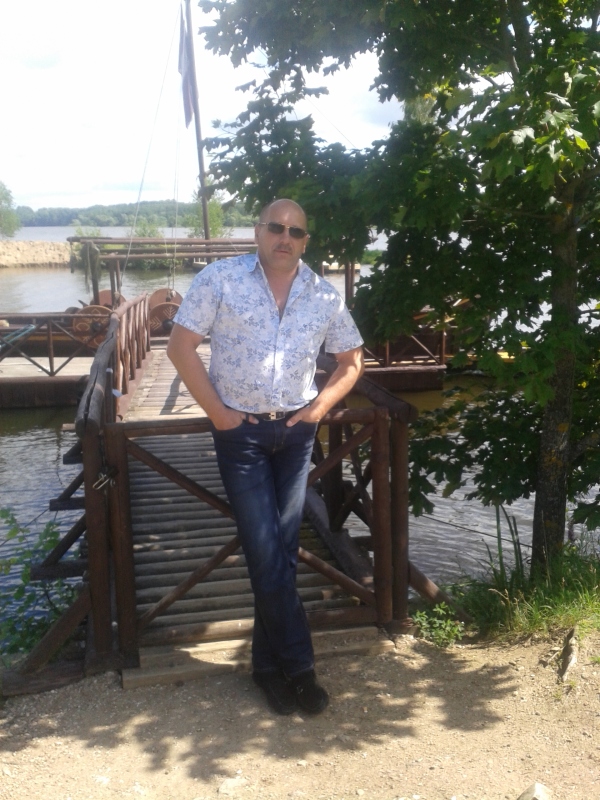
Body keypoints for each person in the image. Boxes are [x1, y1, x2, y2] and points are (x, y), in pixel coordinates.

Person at [167, 199, 364, 715]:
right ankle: (300, 669)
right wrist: (219, 415)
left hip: (296, 436)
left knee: (278, 552)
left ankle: (266, 668)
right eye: (276, 227)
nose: (285, 237)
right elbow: (180, 347)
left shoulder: (323, 294)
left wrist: (319, 408)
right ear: (258, 232)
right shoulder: (220, 279)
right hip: (242, 436)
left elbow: (351, 362)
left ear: (305, 240)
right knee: (264, 550)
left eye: (296, 231)